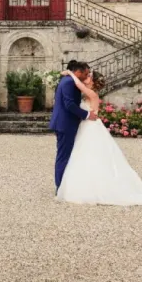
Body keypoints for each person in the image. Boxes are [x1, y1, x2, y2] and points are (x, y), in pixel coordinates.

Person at [55, 69, 142, 206]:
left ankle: (93, 187)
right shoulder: (88, 93)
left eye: (89, 76)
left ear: (94, 82)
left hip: (91, 127)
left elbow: (79, 85)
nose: (87, 76)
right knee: (83, 155)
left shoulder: (93, 94)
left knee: (90, 155)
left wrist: (71, 74)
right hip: (85, 127)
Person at [48, 60, 95, 193]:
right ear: (78, 72)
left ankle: (64, 184)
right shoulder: (69, 83)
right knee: (63, 155)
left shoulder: (67, 79)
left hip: (65, 123)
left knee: (66, 154)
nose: (87, 77)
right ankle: (60, 187)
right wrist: (86, 114)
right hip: (65, 124)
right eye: (85, 74)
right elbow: (69, 104)